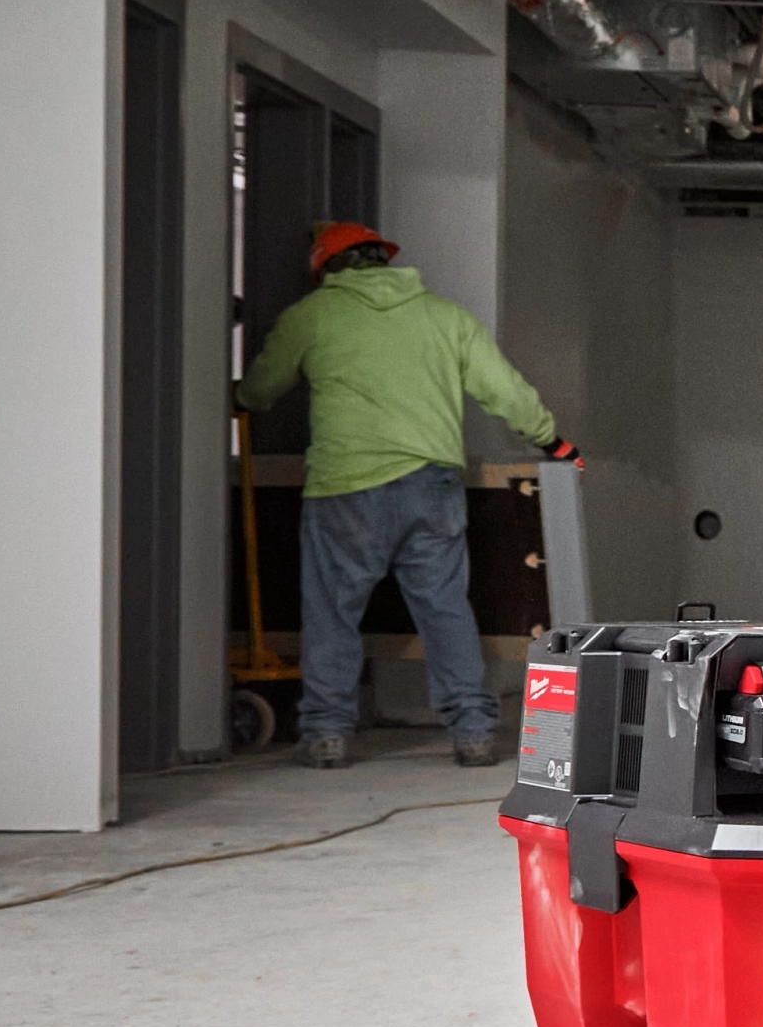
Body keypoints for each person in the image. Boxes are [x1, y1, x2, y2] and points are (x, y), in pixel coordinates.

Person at [234, 221, 574, 770]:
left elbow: (263, 386)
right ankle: (473, 732)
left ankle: (326, 734)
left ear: (327, 268)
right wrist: (553, 442)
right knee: (444, 609)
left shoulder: (312, 316)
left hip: (345, 487)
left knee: (332, 613)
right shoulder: (444, 316)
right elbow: (504, 389)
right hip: (430, 486)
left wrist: (242, 399)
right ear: (383, 260)